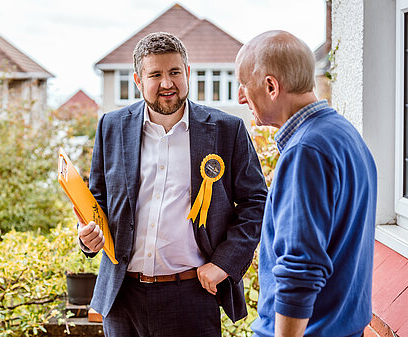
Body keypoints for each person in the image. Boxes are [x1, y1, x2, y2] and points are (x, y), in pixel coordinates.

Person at [75, 31, 267, 337]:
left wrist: (224, 263)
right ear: (138, 80)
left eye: (175, 72)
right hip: (122, 298)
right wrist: (87, 237)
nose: (167, 83)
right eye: (156, 74)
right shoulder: (110, 126)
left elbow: (257, 203)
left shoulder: (227, 130)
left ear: (188, 73)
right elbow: (96, 199)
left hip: (191, 296)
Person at [235, 30, 377, 337]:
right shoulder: (343, 134)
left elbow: (300, 268)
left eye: (244, 86)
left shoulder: (305, 151)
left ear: (271, 86)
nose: (240, 97)